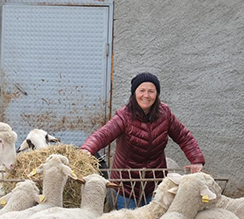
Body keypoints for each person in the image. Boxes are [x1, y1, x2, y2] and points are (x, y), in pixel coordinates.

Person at [81, 72, 204, 209]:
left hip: (155, 185)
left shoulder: (165, 113)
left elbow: (183, 136)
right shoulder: (124, 116)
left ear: (156, 94)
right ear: (134, 93)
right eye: (142, 90)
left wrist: (196, 159)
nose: (146, 95)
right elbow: (103, 134)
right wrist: (87, 149)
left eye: (151, 91)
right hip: (126, 186)